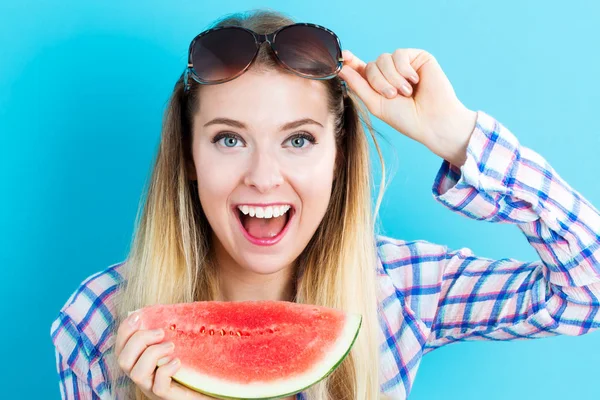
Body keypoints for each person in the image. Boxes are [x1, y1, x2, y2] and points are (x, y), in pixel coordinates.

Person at [50, 9, 600, 400]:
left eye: (298, 139)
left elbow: (588, 293)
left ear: (339, 157)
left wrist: (457, 136)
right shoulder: (98, 326)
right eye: (228, 139)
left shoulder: (403, 288)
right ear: (187, 156)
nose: (264, 179)